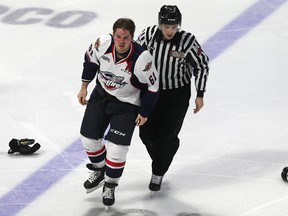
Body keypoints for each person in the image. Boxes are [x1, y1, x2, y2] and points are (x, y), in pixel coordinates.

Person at [77, 18, 159, 207]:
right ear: (113, 35)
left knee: (117, 150)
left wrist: (145, 112)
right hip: (101, 96)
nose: (121, 41)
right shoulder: (102, 43)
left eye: (126, 37)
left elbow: (153, 87)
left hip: (128, 105)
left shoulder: (142, 58)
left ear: (132, 38)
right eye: (118, 36)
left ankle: (110, 185)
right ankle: (100, 169)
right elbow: (90, 62)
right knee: (88, 138)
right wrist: (84, 87)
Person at [136, 5, 209, 193]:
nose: (170, 31)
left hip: (176, 96)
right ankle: (164, 154)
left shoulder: (188, 41)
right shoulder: (147, 35)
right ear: (160, 24)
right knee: (146, 135)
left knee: (166, 137)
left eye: (174, 27)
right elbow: (134, 59)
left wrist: (199, 93)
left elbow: (201, 65)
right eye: (167, 26)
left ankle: (158, 172)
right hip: (151, 94)